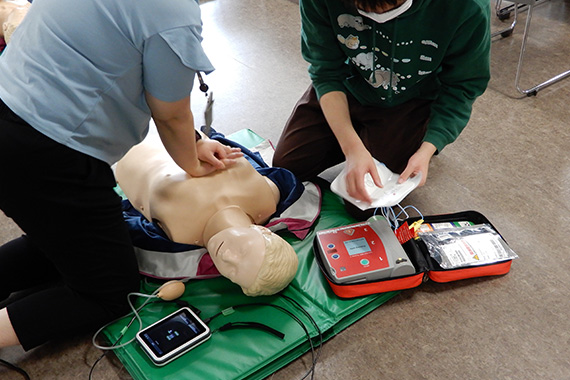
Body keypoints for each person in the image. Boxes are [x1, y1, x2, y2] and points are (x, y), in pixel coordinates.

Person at [0, 0, 241, 351]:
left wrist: (195, 141)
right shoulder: (172, 15)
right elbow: (170, 114)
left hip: (12, 109)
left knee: (58, 244)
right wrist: (191, 163)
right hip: (43, 149)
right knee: (109, 292)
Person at [273, 0, 491, 211]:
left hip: (409, 100)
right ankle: (361, 137)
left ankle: (408, 133)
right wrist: (352, 148)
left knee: (365, 204)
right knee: (287, 168)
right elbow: (325, 71)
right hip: (348, 85)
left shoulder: (467, 7)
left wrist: (429, 146)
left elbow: (462, 87)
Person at [115, 135, 300, 297]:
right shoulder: (266, 198)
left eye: (233, 272)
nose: (227, 257)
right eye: (242, 252)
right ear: (262, 231)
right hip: (175, 128)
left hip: (122, 147)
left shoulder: (182, 232)